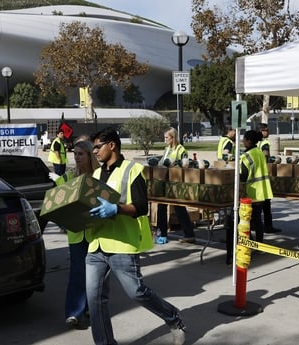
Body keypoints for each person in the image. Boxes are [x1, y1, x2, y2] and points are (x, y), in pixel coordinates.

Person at [86, 128, 186, 345]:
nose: (94, 151)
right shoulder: (95, 175)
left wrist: (116, 209)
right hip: (96, 246)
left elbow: (141, 207)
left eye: (97, 147)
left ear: (112, 145)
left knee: (137, 293)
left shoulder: (133, 170)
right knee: (95, 300)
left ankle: (172, 317)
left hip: (122, 244)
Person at [50, 140, 100, 329]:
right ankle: (74, 312)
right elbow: (57, 198)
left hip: (97, 232)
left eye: (81, 154)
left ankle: (90, 309)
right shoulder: (69, 176)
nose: (77, 158)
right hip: (76, 234)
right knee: (78, 273)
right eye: (75, 154)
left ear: (89, 155)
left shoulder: (99, 175)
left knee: (95, 275)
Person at [156, 128, 196, 244]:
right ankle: (161, 233)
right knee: (161, 207)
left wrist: (175, 165)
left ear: (173, 138)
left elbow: (185, 165)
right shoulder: (167, 149)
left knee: (179, 208)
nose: (165, 140)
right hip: (164, 181)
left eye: (167, 137)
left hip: (176, 183)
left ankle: (189, 234)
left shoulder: (180, 149)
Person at [240, 130, 274, 245]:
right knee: (258, 219)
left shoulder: (246, 156)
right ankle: (260, 244)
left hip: (251, 191)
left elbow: (243, 176)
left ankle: (248, 243)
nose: (242, 141)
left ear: (248, 141)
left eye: (244, 139)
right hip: (262, 190)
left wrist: (241, 192)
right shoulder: (259, 152)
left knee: (246, 220)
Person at [257, 124, 281, 234]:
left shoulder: (255, 142)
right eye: (267, 130)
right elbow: (266, 157)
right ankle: (268, 225)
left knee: (257, 205)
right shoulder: (265, 143)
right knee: (266, 203)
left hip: (256, 176)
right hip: (264, 176)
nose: (268, 132)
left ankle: (255, 224)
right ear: (262, 131)